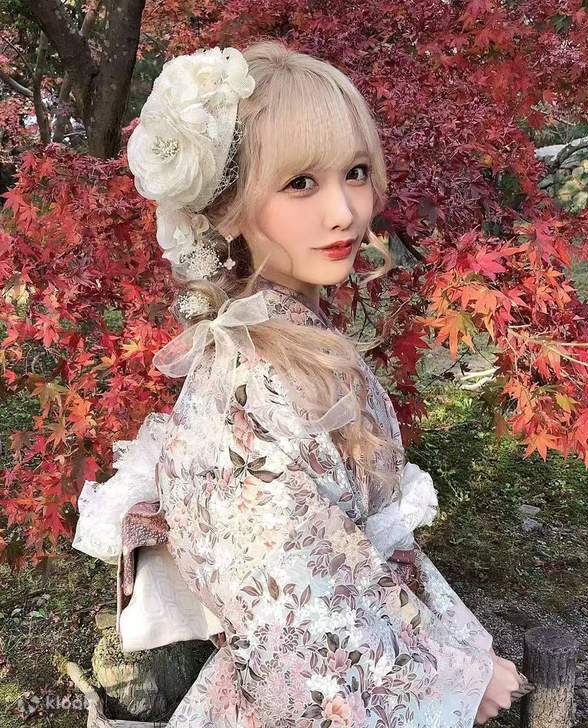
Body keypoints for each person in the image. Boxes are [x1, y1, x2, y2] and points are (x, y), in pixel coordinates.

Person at [70, 42, 524, 725]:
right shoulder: (249, 378)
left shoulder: (290, 341)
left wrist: (455, 652)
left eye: (357, 172)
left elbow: (350, 559)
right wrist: (458, 674)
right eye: (300, 183)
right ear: (228, 206)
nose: (344, 211)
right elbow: (296, 601)